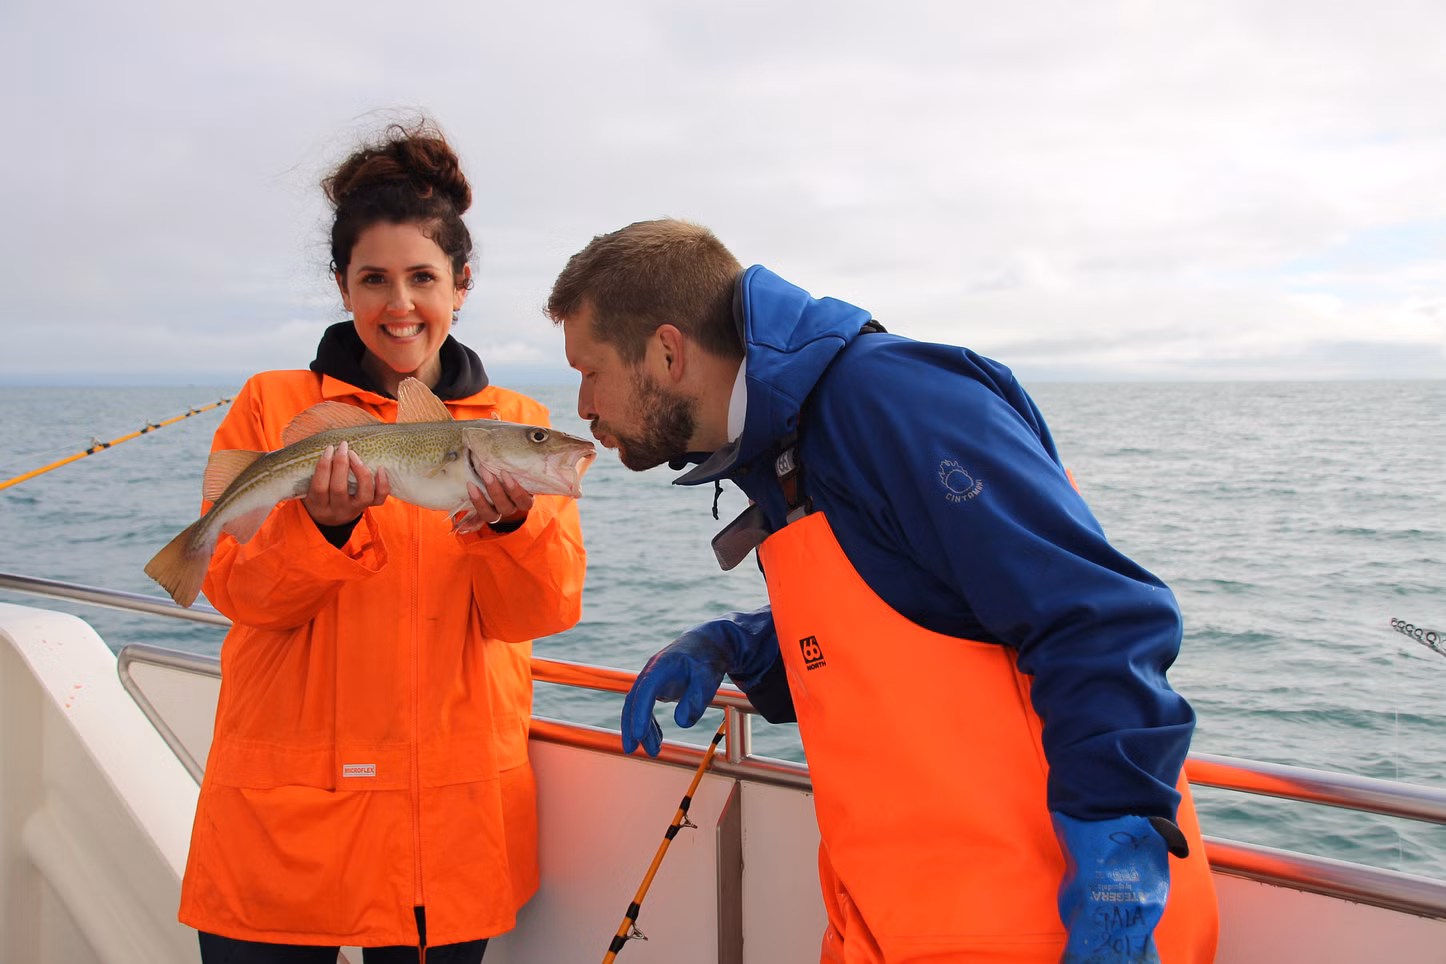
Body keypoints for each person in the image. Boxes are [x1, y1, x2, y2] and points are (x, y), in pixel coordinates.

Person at [547, 219, 1219, 963]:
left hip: (1047, 928)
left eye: (590, 371)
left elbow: (1095, 615)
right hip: (897, 921)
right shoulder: (781, 447)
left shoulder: (893, 400)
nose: (583, 405)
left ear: (668, 352)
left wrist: (1118, 869)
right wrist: (745, 645)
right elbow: (914, 613)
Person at [177, 121, 587, 963]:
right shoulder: (273, 405)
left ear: (461, 285)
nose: (400, 304)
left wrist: (511, 527)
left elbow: (541, 613)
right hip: (285, 818)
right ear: (343, 286)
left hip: (447, 823)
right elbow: (240, 594)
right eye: (373, 279)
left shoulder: (517, 425)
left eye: (423, 278)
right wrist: (323, 528)